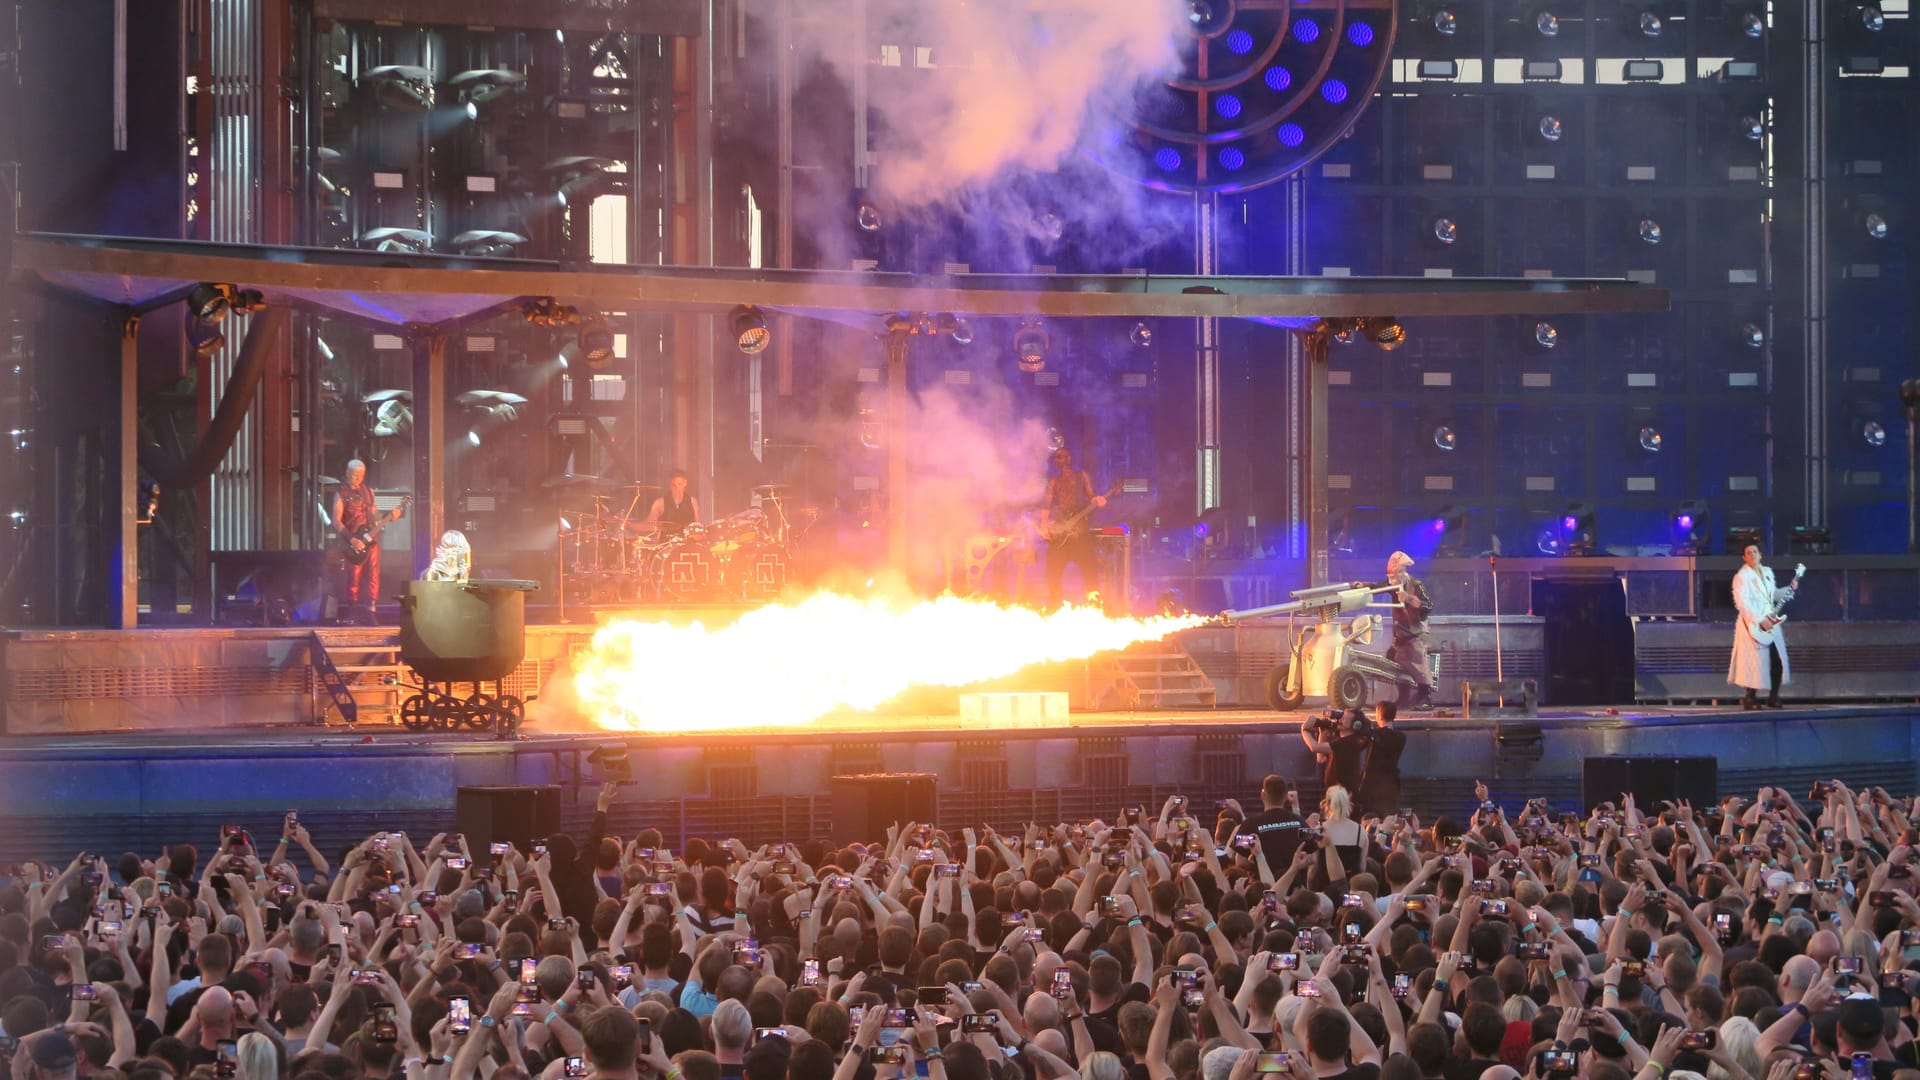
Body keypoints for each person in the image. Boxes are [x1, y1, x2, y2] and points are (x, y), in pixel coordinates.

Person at [331, 459, 403, 624]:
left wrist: (390, 517)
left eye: (360, 475)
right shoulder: (340, 493)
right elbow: (336, 521)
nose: (356, 479)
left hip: (371, 540)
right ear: (347, 473)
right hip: (353, 540)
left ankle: (371, 610)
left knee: (373, 574)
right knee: (354, 575)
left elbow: (375, 516)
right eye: (354, 475)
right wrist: (352, 539)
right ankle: (352, 610)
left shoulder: (368, 492)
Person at [1038, 446, 1106, 609]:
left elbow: (1092, 498)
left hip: (1079, 530)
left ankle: (1095, 605)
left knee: (1090, 569)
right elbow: (1046, 505)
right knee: (1052, 569)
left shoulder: (1082, 476)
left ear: (1069, 458)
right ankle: (1055, 605)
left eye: (1061, 457)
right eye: (1056, 457)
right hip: (1060, 531)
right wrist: (1044, 525)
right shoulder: (1053, 481)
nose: (1058, 460)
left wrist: (1100, 501)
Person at [1729, 543, 1795, 710]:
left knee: (1776, 659)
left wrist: (1789, 589)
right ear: (1744, 558)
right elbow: (1742, 603)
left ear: (1760, 555)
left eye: (1755, 551)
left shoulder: (1767, 572)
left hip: (1770, 621)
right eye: (1748, 552)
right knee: (1754, 661)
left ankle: (1774, 696)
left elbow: (1773, 594)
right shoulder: (1741, 577)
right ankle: (1750, 698)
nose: (1752, 555)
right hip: (1752, 623)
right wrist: (1759, 620)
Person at [1385, 550, 1434, 710]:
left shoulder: (1416, 585)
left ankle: (1425, 696)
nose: (1393, 580)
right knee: (1393, 660)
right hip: (1401, 635)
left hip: (1416, 634)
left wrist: (1409, 599)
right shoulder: (1393, 586)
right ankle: (1404, 696)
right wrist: (1362, 586)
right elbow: (1377, 586)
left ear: (1403, 572)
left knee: (1418, 661)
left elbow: (1428, 605)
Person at [1234, 773, 1304, 869]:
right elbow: (1312, 854)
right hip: (1296, 882)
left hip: (1265, 882)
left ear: (1262, 795)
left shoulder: (1249, 825)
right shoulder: (1299, 822)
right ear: (1285, 796)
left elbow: (1241, 861)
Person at [1301, 709, 1370, 793]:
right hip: (1334, 791)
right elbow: (1321, 758)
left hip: (1343, 793)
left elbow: (1314, 747)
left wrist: (1304, 730)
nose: (1340, 720)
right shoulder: (1339, 740)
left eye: (1344, 718)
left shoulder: (1348, 743)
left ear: (1355, 725)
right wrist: (1322, 733)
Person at [1356, 701, 1405, 818]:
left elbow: (1360, 741)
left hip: (1372, 786)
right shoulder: (1401, 737)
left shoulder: (1375, 735)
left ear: (1380, 715)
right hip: (1391, 785)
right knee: (1388, 818)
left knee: (1369, 818)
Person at [646, 468, 700, 537]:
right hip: (667, 544)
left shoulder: (693, 501)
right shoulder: (660, 503)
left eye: (679, 484)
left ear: (685, 483)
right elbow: (649, 525)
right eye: (674, 485)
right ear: (670, 485)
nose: (677, 489)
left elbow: (697, 525)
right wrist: (632, 525)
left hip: (687, 543)